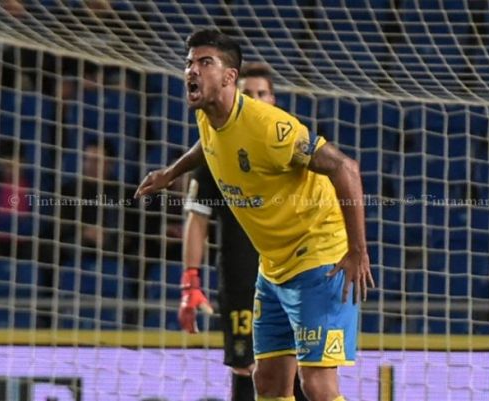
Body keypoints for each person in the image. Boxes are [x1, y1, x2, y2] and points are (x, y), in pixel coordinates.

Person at [136, 29, 374, 401]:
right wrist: (171, 172)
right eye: (189, 62)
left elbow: (346, 168)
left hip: (319, 256)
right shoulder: (209, 116)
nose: (192, 70)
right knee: (267, 381)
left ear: (229, 77)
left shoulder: (270, 128)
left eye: (205, 62)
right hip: (274, 266)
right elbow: (209, 144)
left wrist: (357, 251)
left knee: (317, 385)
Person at [180, 63, 306, 401]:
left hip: (295, 275)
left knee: (301, 371)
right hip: (242, 280)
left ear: (274, 100)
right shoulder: (214, 149)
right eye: (247, 93)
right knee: (247, 369)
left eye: (262, 93)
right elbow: (197, 219)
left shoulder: (291, 145)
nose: (255, 100)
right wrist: (190, 279)